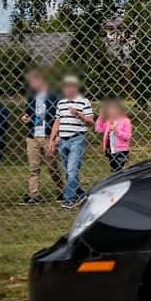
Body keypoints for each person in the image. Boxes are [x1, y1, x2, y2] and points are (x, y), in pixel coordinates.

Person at [49, 75, 96, 207]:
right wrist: (52, 139)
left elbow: (91, 123)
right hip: (63, 141)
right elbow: (57, 121)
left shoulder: (84, 102)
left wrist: (78, 115)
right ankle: (81, 194)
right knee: (68, 172)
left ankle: (69, 200)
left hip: (77, 139)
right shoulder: (61, 103)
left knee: (72, 171)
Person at [19, 69, 63, 204]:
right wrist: (25, 117)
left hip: (48, 135)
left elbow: (58, 116)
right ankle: (34, 195)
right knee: (34, 167)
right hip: (32, 135)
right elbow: (28, 113)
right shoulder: (31, 96)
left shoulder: (53, 96)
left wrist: (57, 135)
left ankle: (62, 190)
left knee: (52, 166)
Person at [94, 99, 132, 173]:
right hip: (110, 149)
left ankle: (118, 181)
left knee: (117, 169)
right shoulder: (109, 121)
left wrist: (116, 131)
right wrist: (101, 116)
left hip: (121, 150)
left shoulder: (125, 121)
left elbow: (127, 136)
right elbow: (98, 129)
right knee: (114, 168)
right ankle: (117, 180)